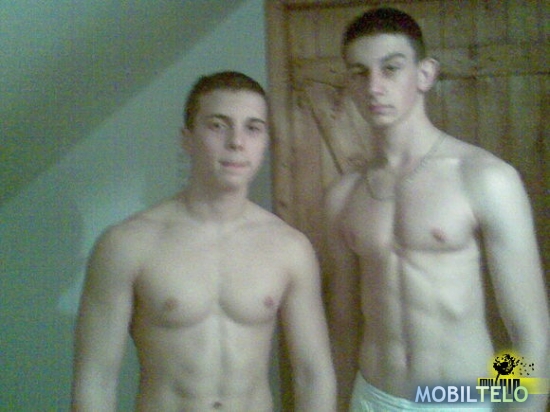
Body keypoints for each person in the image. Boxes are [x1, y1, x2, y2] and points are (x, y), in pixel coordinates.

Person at [325, 7, 549, 412]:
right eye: (359, 72)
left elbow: (529, 330)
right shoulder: (343, 196)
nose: (373, 86)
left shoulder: (484, 178)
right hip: (372, 396)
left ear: (424, 74)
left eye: (391, 69)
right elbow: (343, 324)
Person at [71, 71, 336, 412]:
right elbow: (96, 379)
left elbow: (313, 375)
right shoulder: (126, 245)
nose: (237, 142)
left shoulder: (290, 248)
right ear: (187, 139)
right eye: (218, 125)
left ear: (265, 142)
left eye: (253, 128)